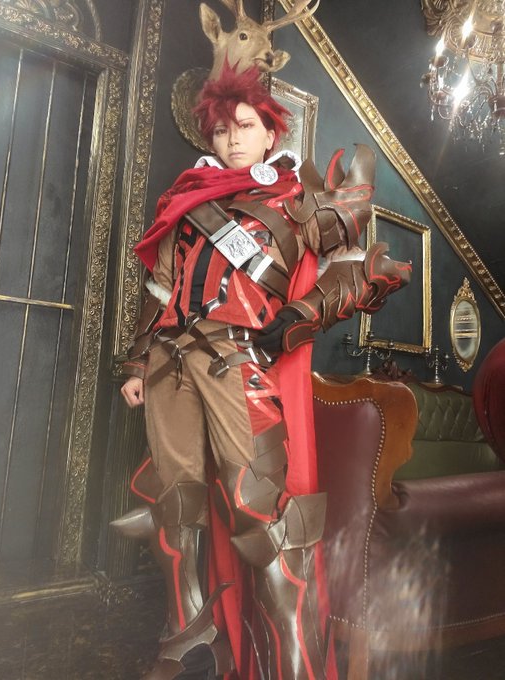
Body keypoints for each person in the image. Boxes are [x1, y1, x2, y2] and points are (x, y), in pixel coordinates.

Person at [113, 64, 411, 680]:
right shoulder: (187, 199)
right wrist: (139, 360)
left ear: (271, 131)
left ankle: (295, 664)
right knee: (177, 502)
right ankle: (192, 638)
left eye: (244, 126)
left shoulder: (297, 199)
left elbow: (360, 267)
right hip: (170, 363)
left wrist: (302, 314)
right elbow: (161, 287)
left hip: (238, 359)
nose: (232, 140)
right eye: (221, 131)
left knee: (261, 513)